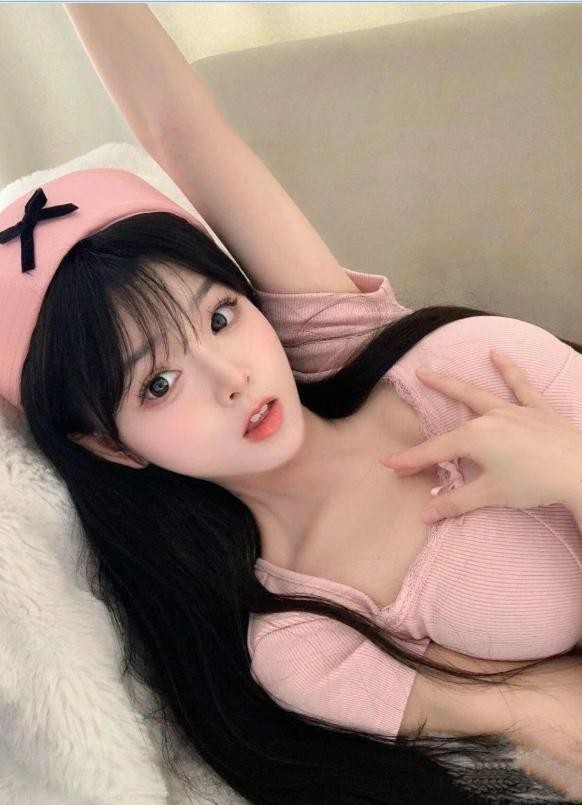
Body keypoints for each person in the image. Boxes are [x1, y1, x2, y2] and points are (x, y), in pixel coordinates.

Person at [1, 4, 581, 802]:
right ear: (108, 443)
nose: (231, 377)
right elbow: (557, 727)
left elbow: (179, 129)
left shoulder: (438, 365)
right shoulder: (299, 636)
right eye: (158, 383)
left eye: (220, 315)